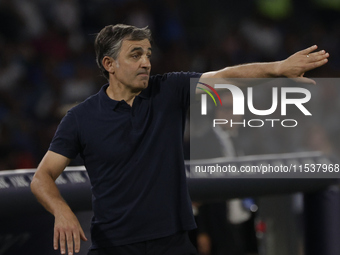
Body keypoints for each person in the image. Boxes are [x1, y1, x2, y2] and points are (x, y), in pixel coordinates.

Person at [30, 24, 329, 255]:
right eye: (135, 55)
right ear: (109, 64)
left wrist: (276, 69)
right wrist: (62, 211)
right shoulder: (80, 118)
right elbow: (41, 177)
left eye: (148, 53)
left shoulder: (168, 90)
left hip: (174, 243)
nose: (146, 62)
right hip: (115, 246)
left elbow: (224, 76)